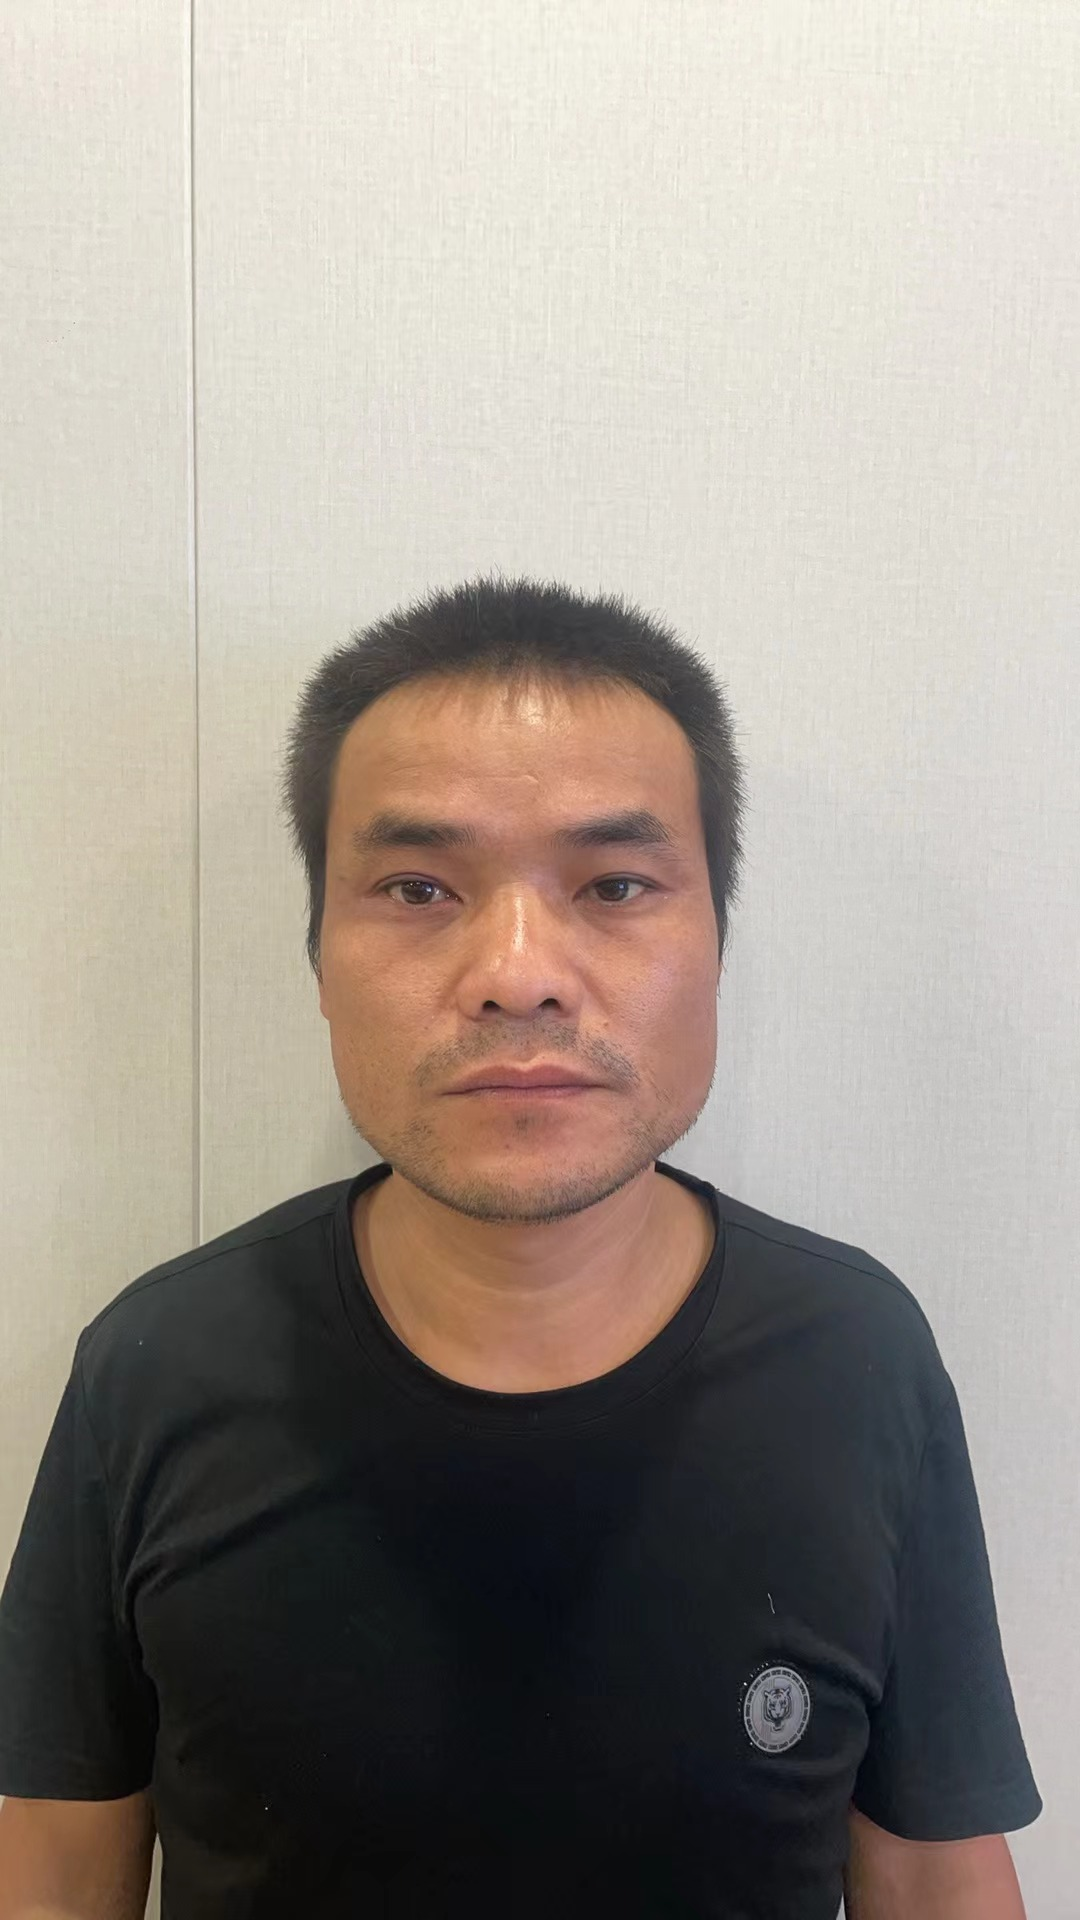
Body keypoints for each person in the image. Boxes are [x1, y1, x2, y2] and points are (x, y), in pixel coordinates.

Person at [0, 575, 1041, 1917]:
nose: (518, 973)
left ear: (717, 943)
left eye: (615, 884)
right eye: (418, 887)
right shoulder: (160, 1363)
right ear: (317, 956)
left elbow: (933, 1869)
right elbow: (54, 1865)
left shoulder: (858, 1358)